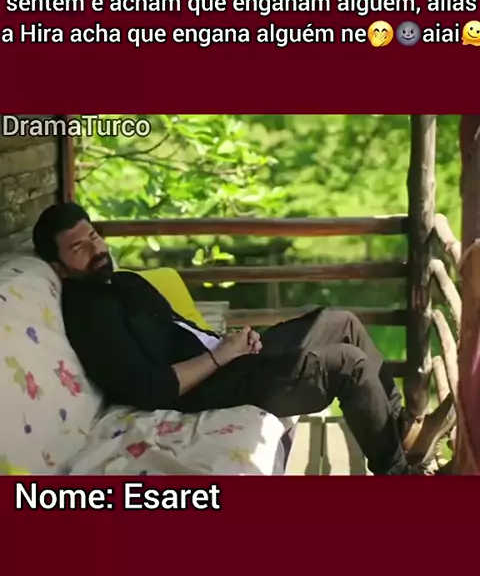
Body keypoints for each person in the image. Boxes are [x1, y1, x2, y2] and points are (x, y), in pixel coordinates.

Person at [32, 203, 449, 475]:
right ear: (59, 266)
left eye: (93, 236)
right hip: (205, 389)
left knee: (342, 322)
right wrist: (221, 358)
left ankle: (402, 431)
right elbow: (149, 387)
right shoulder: (89, 313)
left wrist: (228, 344)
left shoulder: (121, 282)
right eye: (78, 247)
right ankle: (398, 474)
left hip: (226, 359)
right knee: (346, 365)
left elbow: (178, 329)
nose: (95, 249)